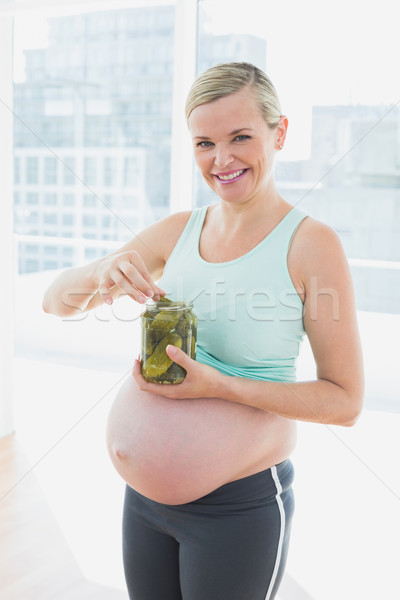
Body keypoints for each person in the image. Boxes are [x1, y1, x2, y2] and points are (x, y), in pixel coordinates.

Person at [43, 62, 364, 600]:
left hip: (239, 509)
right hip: (143, 505)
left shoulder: (312, 245)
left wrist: (222, 386)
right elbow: (56, 303)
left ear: (279, 132)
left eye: (241, 137)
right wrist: (100, 272)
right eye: (204, 143)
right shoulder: (178, 231)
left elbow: (345, 401)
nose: (222, 160)